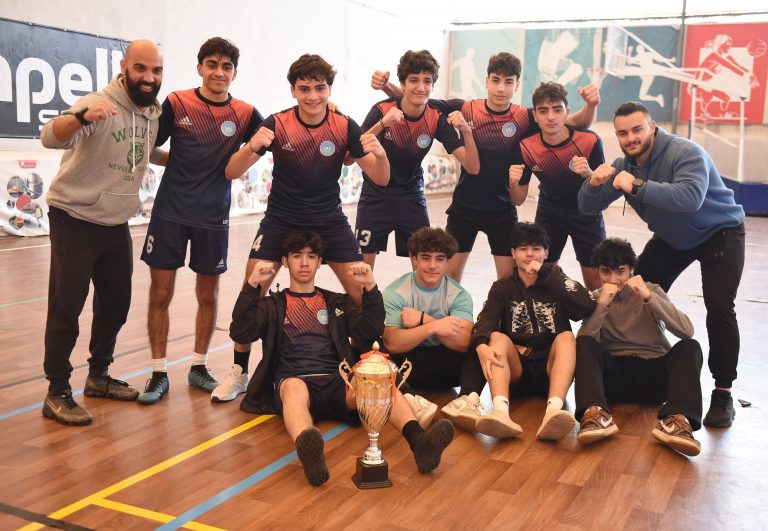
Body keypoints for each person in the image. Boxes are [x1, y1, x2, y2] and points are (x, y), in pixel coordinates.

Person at [215, 54, 390, 403]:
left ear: (329, 89)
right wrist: (252, 147)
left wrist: (381, 156)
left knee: (360, 290)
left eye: (319, 88)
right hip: (281, 219)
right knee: (253, 288)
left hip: (329, 220)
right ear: (293, 90)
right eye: (304, 88)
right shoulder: (277, 123)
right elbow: (231, 171)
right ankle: (239, 371)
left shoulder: (344, 126)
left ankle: (366, 368)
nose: (312, 96)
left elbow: (381, 178)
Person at [229, 230, 454, 486]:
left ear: (319, 261)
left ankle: (420, 443)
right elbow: (240, 332)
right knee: (293, 389)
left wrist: (370, 287)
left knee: (378, 382)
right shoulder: (273, 305)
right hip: (296, 379)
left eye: (311, 256)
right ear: (285, 261)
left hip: (338, 380)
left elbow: (370, 331)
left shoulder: (335, 302)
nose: (304, 262)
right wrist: (251, 286)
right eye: (297, 256)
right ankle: (310, 453)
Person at [578, 101, 745, 428]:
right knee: (634, 290)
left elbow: (690, 198)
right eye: (623, 133)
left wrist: (636, 185)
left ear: (652, 127)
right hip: (672, 238)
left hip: (719, 232)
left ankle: (723, 393)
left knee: (719, 306)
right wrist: (593, 183)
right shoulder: (623, 165)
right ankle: (629, 364)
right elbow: (587, 207)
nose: (631, 138)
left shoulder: (686, 152)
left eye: (637, 129)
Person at [372, 52, 601, 282]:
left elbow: (576, 122)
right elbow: (417, 100)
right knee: (449, 277)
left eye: (508, 82)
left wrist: (591, 105)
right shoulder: (466, 108)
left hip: (502, 211)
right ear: (486, 81)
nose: (501, 88)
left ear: (516, 85)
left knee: (507, 280)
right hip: (464, 208)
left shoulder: (526, 116)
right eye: (495, 80)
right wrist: (386, 87)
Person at [39, 40, 164, 425]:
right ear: (124, 66)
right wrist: (82, 117)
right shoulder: (98, 103)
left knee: (116, 303)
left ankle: (98, 376)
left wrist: (181, 160)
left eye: (156, 70)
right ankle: (57, 391)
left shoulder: (152, 112)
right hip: (75, 217)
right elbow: (50, 135)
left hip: (115, 221)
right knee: (66, 306)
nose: (149, 77)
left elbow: (144, 150)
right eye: (141, 68)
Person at [137, 37, 264, 405]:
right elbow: (146, 145)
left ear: (234, 73)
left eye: (226, 67)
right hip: (170, 213)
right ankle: (158, 372)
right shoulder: (177, 102)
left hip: (212, 217)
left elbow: (280, 133)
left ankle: (198, 366)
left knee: (208, 295)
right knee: (160, 293)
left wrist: (330, 107)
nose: (219, 72)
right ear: (200, 68)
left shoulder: (245, 112)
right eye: (212, 65)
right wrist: (171, 161)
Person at [575, 238, 703, 456]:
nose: (613, 279)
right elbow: (585, 344)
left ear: (631, 270)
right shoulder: (596, 298)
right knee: (582, 341)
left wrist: (649, 297)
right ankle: (594, 415)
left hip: (653, 375)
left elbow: (686, 330)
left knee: (690, 347)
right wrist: (602, 306)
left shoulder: (651, 290)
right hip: (614, 379)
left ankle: (678, 422)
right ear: (598, 272)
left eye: (620, 272)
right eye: (606, 272)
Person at [470, 222, 595, 440]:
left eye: (536, 248)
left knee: (567, 337)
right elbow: (486, 320)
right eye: (523, 248)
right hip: (517, 369)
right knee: (496, 337)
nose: (529, 254)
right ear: (513, 253)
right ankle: (500, 411)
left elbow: (586, 305)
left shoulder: (556, 280)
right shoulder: (502, 287)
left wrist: (548, 273)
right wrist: (480, 344)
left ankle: (553, 411)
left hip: (551, 370)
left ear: (546, 253)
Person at [356, 50, 479, 269]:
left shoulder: (437, 117)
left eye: (427, 81)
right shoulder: (382, 111)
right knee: (361, 269)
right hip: (375, 196)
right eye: (414, 80)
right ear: (402, 84)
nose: (421, 87)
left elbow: (472, 166)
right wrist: (382, 124)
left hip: (411, 196)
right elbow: (355, 150)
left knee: (425, 266)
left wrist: (467, 132)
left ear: (433, 85)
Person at [381, 227, 485, 432]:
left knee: (481, 341)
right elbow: (391, 343)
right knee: (374, 347)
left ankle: (467, 401)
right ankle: (410, 400)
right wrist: (435, 327)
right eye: (425, 258)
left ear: (447, 262)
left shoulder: (458, 295)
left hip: (449, 369)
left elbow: (464, 342)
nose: (432, 265)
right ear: (414, 259)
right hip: (409, 369)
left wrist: (425, 320)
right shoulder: (395, 293)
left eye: (439, 259)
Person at [509, 82, 605, 290]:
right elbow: (518, 199)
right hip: (549, 212)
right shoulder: (526, 147)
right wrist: (512, 183)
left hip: (586, 213)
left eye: (557, 110)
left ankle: (595, 313)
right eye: (543, 111)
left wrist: (589, 174)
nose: (550, 117)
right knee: (542, 275)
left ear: (566, 112)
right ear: (535, 116)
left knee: (595, 282)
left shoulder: (590, 141)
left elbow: (604, 193)